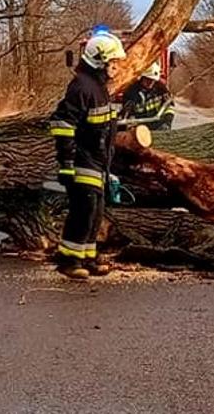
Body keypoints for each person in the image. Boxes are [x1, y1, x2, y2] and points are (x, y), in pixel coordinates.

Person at [48, 28, 126, 280]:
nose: (116, 67)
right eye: (113, 62)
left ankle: (87, 256)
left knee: (96, 210)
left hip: (98, 160)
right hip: (82, 160)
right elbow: (62, 124)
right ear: (99, 60)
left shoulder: (99, 87)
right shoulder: (81, 87)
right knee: (84, 209)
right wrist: (67, 163)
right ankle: (68, 260)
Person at [121, 61, 176, 131]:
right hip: (140, 128)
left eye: (153, 80)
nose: (151, 83)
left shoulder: (161, 89)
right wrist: (131, 127)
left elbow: (170, 107)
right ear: (142, 77)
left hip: (158, 126)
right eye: (148, 80)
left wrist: (167, 121)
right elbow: (128, 114)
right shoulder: (132, 92)